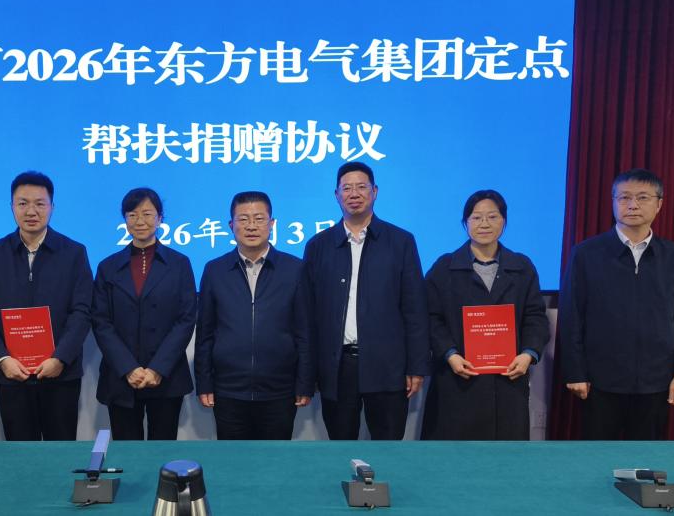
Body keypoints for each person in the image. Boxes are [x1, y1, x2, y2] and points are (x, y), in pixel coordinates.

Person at [560, 168, 674, 440]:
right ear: (613, 202)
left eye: (642, 197)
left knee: (647, 460)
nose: (632, 205)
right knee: (596, 458)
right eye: (624, 197)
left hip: (657, 382)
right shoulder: (586, 254)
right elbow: (571, 317)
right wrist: (575, 371)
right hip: (599, 382)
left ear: (659, 204)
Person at [304, 161, 429, 440]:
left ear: (375, 191)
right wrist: (309, 372)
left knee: (387, 446)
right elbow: (308, 315)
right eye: (347, 188)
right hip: (338, 366)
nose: (354, 194)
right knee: (341, 445)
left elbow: (415, 309)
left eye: (361, 187)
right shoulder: (318, 246)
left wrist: (416, 366)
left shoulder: (401, 242)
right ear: (336, 195)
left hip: (387, 365)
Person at [0, 171, 93, 441]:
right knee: (21, 453)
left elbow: (82, 311)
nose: (31, 211)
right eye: (23, 203)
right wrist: (1, 359)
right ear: (12, 206)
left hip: (60, 374)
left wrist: (60, 358)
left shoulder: (74, 252)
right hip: (12, 374)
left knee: (61, 451)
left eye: (40, 203)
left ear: (52, 207)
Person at [420, 190, 550, 440]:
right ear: (465, 222)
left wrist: (528, 354)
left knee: (505, 456)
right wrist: (449, 354)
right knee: (455, 454)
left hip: (508, 381)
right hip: (457, 380)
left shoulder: (522, 267)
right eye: (476, 217)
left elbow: (535, 317)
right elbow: (431, 318)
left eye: (492, 216)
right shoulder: (444, 268)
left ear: (504, 221)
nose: (484, 224)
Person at [195, 192, 314, 440]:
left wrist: (305, 382)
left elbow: (304, 331)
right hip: (229, 390)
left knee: (275, 460)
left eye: (259, 219)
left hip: (279, 390)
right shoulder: (215, 270)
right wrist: (204, 382)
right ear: (231, 225)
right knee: (234, 460)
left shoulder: (294, 269)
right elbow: (205, 332)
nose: (251, 226)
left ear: (272, 224)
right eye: (243, 219)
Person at [91, 188, 196, 440]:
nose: (140, 221)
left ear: (160, 218)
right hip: (121, 376)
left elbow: (185, 319)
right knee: (127, 451)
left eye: (148, 214)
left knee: (163, 450)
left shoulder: (179, 264)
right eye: (132, 215)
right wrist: (128, 368)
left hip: (167, 375)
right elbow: (101, 321)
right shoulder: (108, 267)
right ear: (124, 220)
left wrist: (158, 368)